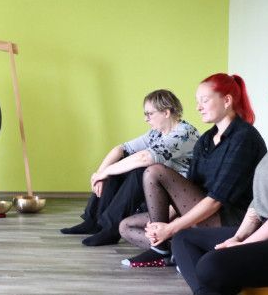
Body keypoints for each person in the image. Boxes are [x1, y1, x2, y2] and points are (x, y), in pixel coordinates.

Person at [172, 64, 268, 295]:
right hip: (265, 229)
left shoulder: (245, 136)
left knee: (210, 265)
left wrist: (245, 244)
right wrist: (240, 236)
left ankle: (211, 290)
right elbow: (259, 199)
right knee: (183, 239)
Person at [118, 73, 267, 267]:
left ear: (227, 101)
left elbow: (215, 201)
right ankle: (175, 250)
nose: (198, 107)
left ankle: (162, 249)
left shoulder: (244, 138)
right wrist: (160, 224)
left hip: (230, 221)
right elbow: (190, 188)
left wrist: (170, 228)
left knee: (154, 171)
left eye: (204, 100)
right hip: (202, 211)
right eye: (197, 102)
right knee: (126, 226)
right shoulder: (206, 140)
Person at [60, 89, 199, 246]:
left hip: (175, 197)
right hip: (157, 189)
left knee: (141, 170)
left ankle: (110, 229)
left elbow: (145, 158)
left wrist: (105, 172)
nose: (146, 119)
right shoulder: (157, 133)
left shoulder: (183, 133)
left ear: (166, 112)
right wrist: (100, 174)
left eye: (149, 114)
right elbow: (121, 149)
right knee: (120, 163)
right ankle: (93, 221)